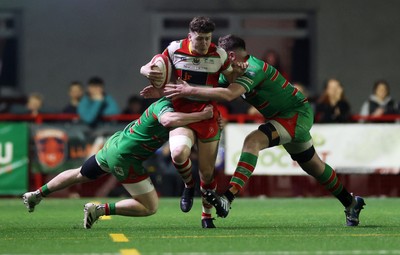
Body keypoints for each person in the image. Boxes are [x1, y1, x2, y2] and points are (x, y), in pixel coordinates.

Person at [164, 34, 366, 227]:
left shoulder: (253, 68)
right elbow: (212, 88)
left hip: (295, 114)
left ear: (231, 55)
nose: (218, 59)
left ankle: (228, 197)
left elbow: (228, 95)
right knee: (314, 166)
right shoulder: (235, 69)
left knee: (253, 141)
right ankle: (351, 203)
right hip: (284, 117)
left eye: (221, 56)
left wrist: (189, 90)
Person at [22, 97, 214, 229]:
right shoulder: (166, 107)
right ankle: (98, 210)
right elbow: (168, 119)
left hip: (116, 144)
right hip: (126, 157)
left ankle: (37, 194)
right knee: (150, 207)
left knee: (80, 173)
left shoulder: (176, 108)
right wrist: (202, 116)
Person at [140, 16, 239, 228]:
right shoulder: (175, 49)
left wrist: (236, 72)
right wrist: (147, 71)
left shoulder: (219, 55)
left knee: (207, 172)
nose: (203, 43)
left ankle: (206, 215)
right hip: (182, 112)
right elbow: (150, 66)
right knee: (177, 154)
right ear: (189, 36)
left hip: (208, 113)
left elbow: (231, 81)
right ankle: (188, 184)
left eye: (207, 38)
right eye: (199, 39)